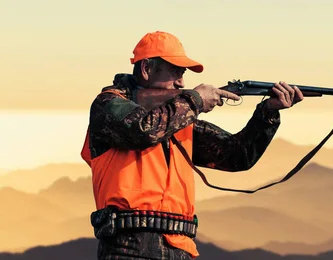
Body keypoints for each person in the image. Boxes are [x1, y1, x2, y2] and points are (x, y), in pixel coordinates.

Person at [80, 31, 304, 260]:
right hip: (128, 249)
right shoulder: (107, 104)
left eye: (183, 73)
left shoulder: (178, 119)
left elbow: (237, 155)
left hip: (182, 248)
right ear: (146, 68)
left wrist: (268, 112)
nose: (182, 82)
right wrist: (194, 101)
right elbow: (142, 130)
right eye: (175, 72)